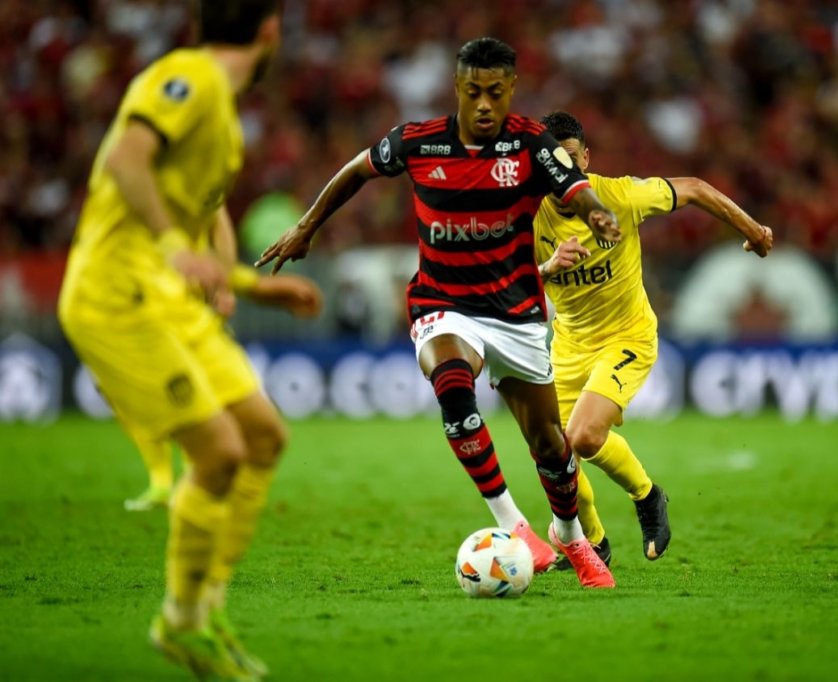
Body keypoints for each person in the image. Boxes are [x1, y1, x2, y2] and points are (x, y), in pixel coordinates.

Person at [258, 37, 620, 588]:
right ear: (457, 87)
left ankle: (569, 535)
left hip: (516, 310)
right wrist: (307, 227)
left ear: (510, 91)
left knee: (550, 443)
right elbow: (356, 170)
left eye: (494, 93)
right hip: (443, 303)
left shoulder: (530, 143)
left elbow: (574, 188)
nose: (482, 104)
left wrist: (596, 214)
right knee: (453, 384)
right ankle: (513, 524)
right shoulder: (418, 142)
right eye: (472, 91)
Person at [58, 2, 287, 678]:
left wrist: (250, 285)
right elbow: (129, 159)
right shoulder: (191, 77)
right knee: (220, 451)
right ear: (268, 29)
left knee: (263, 436)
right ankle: (183, 620)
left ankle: (200, 611)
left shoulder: (222, 117)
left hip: (166, 296)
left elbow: (200, 227)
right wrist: (167, 241)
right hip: (116, 294)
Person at [534, 111, 774, 568]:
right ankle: (595, 542)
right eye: (553, 164)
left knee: (583, 436)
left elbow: (696, 188)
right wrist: (546, 269)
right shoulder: (527, 217)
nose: (564, 174)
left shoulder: (619, 195)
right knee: (553, 458)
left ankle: (647, 496)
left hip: (627, 336)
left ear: (586, 157)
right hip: (566, 347)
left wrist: (754, 232)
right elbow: (508, 282)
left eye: (571, 161)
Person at [123, 263, 322, 512]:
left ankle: (187, 481)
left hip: (185, 316)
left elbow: (211, 248)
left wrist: (232, 286)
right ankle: (166, 482)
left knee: (262, 435)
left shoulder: (195, 235)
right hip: (136, 311)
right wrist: (250, 285)